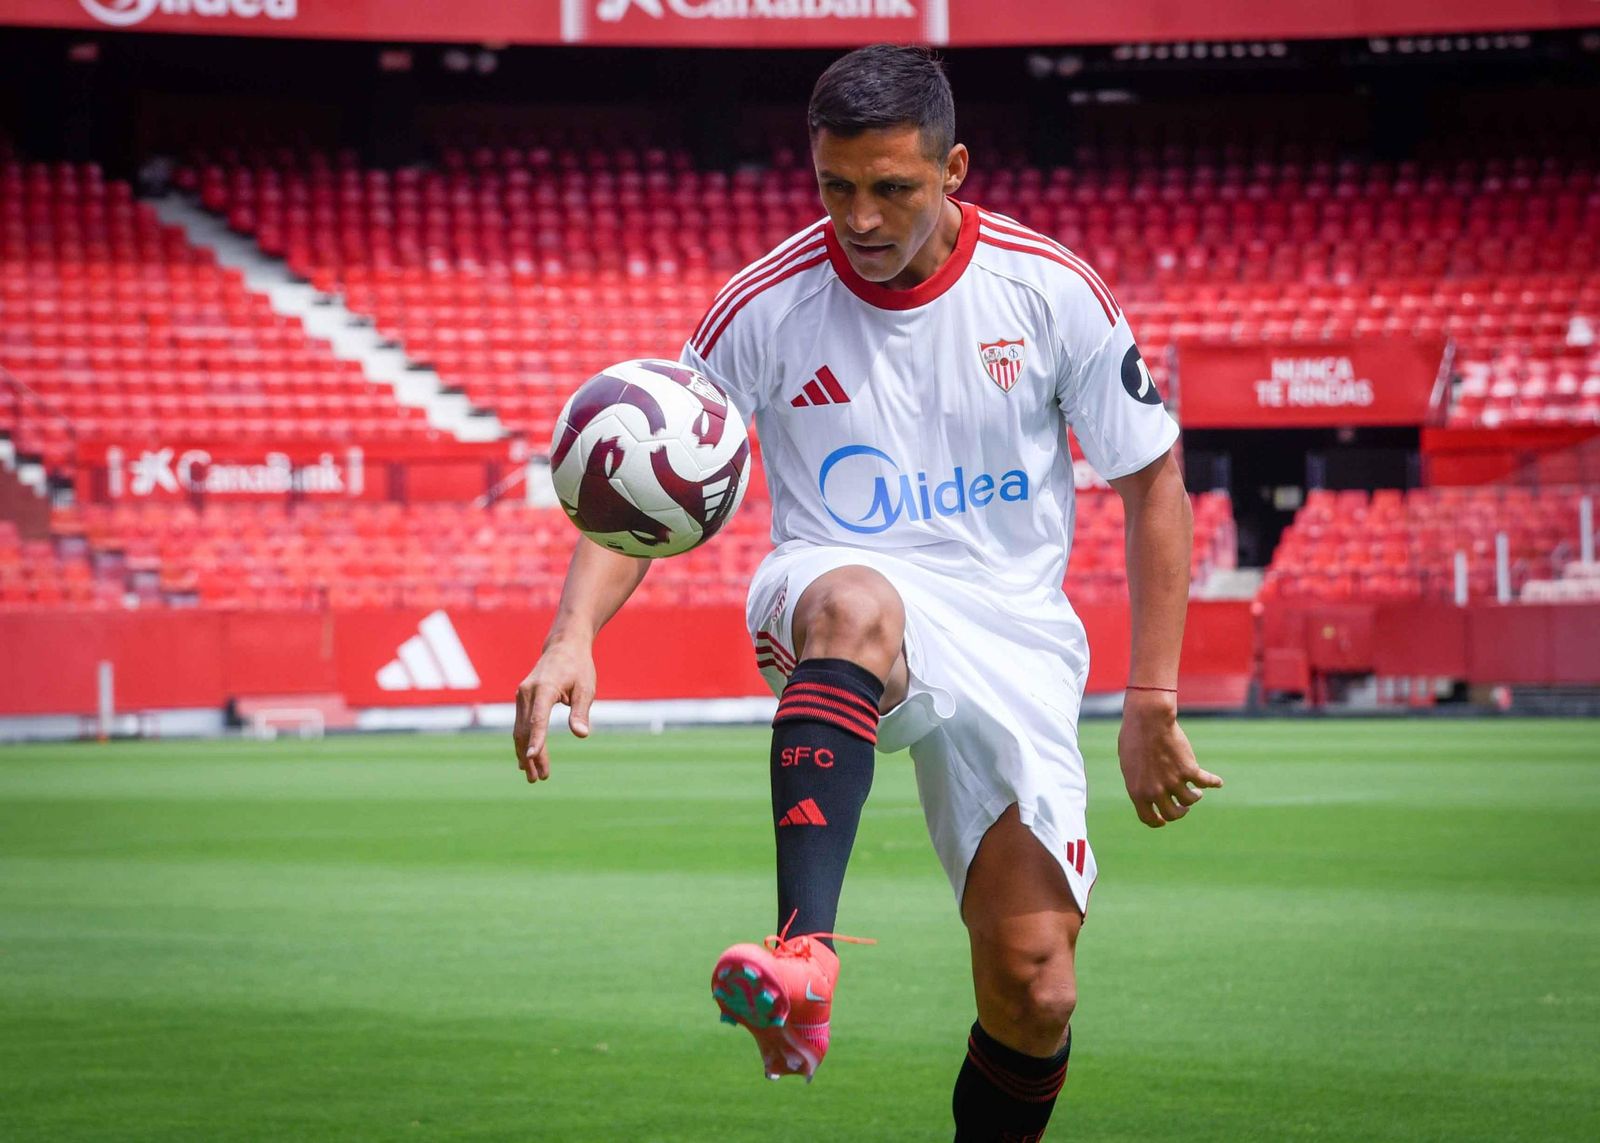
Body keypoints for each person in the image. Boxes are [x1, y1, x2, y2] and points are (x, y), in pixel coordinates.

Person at [514, 45, 1222, 1142]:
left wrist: (1151, 698)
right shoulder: (762, 303)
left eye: (892, 187)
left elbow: (1153, 481)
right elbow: (652, 475)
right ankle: (803, 956)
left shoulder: (1048, 289)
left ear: (953, 169)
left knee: (1036, 991)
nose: (861, 217)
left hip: (1011, 629)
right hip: (832, 589)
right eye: (835, 187)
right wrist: (572, 635)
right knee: (855, 602)